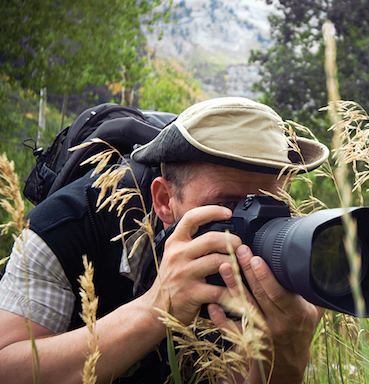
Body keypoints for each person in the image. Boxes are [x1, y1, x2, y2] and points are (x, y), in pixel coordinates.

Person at [0, 97, 330, 383]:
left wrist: (287, 353)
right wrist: (155, 307)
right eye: (228, 205)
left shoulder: (274, 259)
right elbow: (7, 369)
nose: (254, 226)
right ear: (164, 201)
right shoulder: (69, 227)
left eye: (268, 204)